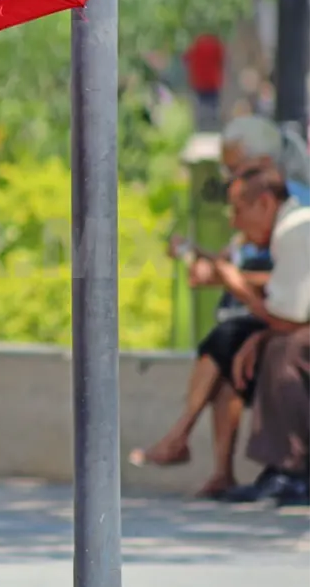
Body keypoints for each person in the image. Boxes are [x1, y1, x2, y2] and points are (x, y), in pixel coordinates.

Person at [131, 115, 310, 497]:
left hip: (291, 317)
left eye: (237, 169)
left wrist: (235, 285)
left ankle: (288, 470)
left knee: (276, 348)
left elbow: (289, 304)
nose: (231, 179)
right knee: (233, 352)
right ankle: (218, 464)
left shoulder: (294, 212)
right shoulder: (269, 213)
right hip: (285, 309)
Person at [210, 163, 310, 503]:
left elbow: (286, 319)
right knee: (255, 342)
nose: (235, 223)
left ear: (265, 203)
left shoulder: (296, 231)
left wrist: (236, 285)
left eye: (239, 210)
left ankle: (289, 471)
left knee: (285, 350)